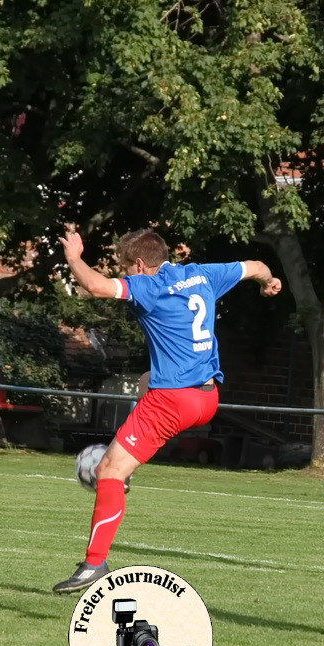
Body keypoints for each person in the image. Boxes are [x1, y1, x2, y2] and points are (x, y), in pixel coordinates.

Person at [52, 226, 283, 593]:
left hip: (172, 400)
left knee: (107, 471)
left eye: (126, 268)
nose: (126, 274)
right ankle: (126, 461)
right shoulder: (202, 274)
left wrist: (74, 259)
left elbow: (95, 286)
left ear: (140, 264)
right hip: (207, 397)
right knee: (146, 379)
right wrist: (268, 282)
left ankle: (94, 563)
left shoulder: (150, 286)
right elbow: (255, 266)